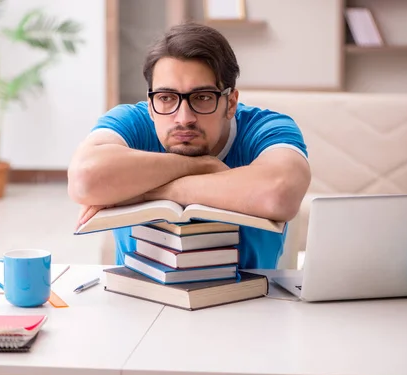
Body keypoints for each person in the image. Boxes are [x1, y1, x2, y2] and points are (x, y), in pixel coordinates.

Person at [67, 22, 311, 270]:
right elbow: (84, 178)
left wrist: (144, 193)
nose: (184, 118)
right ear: (151, 105)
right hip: (139, 300)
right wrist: (203, 165)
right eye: (166, 98)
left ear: (231, 103)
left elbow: (280, 192)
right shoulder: (131, 121)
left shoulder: (267, 128)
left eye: (202, 98)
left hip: (248, 300)